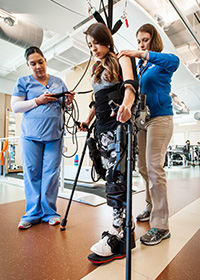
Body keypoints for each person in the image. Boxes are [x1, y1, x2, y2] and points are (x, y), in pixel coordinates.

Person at [79, 22, 138, 263]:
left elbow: (130, 86)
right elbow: (96, 100)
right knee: (110, 178)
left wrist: (127, 105)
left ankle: (117, 232)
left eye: (96, 43)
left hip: (118, 126)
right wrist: (86, 120)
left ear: (106, 40)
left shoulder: (121, 58)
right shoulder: (95, 67)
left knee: (117, 179)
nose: (93, 48)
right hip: (101, 128)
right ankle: (126, 227)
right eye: (90, 45)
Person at [118, 23, 180, 246]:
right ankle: (150, 205)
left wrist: (141, 53)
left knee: (155, 168)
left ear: (153, 40)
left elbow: (176, 61)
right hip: (142, 121)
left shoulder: (162, 61)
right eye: (138, 41)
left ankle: (161, 226)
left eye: (144, 39)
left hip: (160, 118)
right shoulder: (141, 68)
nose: (141, 44)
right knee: (143, 167)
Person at [11, 46, 74, 229]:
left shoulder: (58, 82)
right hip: (31, 135)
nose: (38, 66)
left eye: (40, 62)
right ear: (28, 65)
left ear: (45, 61)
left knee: (51, 174)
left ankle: (50, 212)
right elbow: (16, 107)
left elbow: (65, 105)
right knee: (32, 173)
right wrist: (38, 100)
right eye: (33, 64)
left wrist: (68, 101)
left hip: (54, 135)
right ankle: (32, 214)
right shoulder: (23, 82)